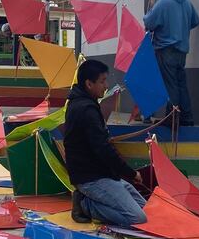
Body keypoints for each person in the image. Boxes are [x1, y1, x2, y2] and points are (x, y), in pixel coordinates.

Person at [63, 59, 147, 226]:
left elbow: (101, 145)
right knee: (138, 218)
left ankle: (91, 200)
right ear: (88, 83)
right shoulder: (86, 109)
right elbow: (103, 149)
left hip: (103, 173)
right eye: (102, 81)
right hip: (91, 178)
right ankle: (86, 205)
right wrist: (130, 173)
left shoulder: (86, 103)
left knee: (146, 208)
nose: (106, 85)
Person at [143, 0, 199, 125]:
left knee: (170, 85)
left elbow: (149, 23)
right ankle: (187, 118)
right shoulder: (187, 3)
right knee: (181, 84)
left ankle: (172, 119)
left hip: (166, 49)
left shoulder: (163, 3)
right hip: (182, 50)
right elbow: (195, 21)